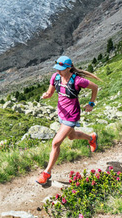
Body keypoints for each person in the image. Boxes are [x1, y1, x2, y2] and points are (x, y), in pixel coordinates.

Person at [36, 55, 100, 185]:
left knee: (55, 143)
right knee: (72, 136)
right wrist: (46, 95)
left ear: (69, 68)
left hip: (72, 115)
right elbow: (50, 93)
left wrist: (91, 104)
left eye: (61, 68)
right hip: (61, 113)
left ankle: (46, 173)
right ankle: (91, 138)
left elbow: (95, 87)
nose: (58, 71)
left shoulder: (77, 80)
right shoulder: (56, 77)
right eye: (57, 68)